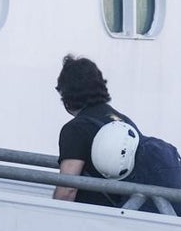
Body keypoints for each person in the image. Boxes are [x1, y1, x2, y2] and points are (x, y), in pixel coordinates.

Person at [52, 54, 137, 207]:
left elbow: (67, 190)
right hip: (130, 213)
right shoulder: (123, 121)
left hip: (94, 218)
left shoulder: (76, 129)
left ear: (66, 94)